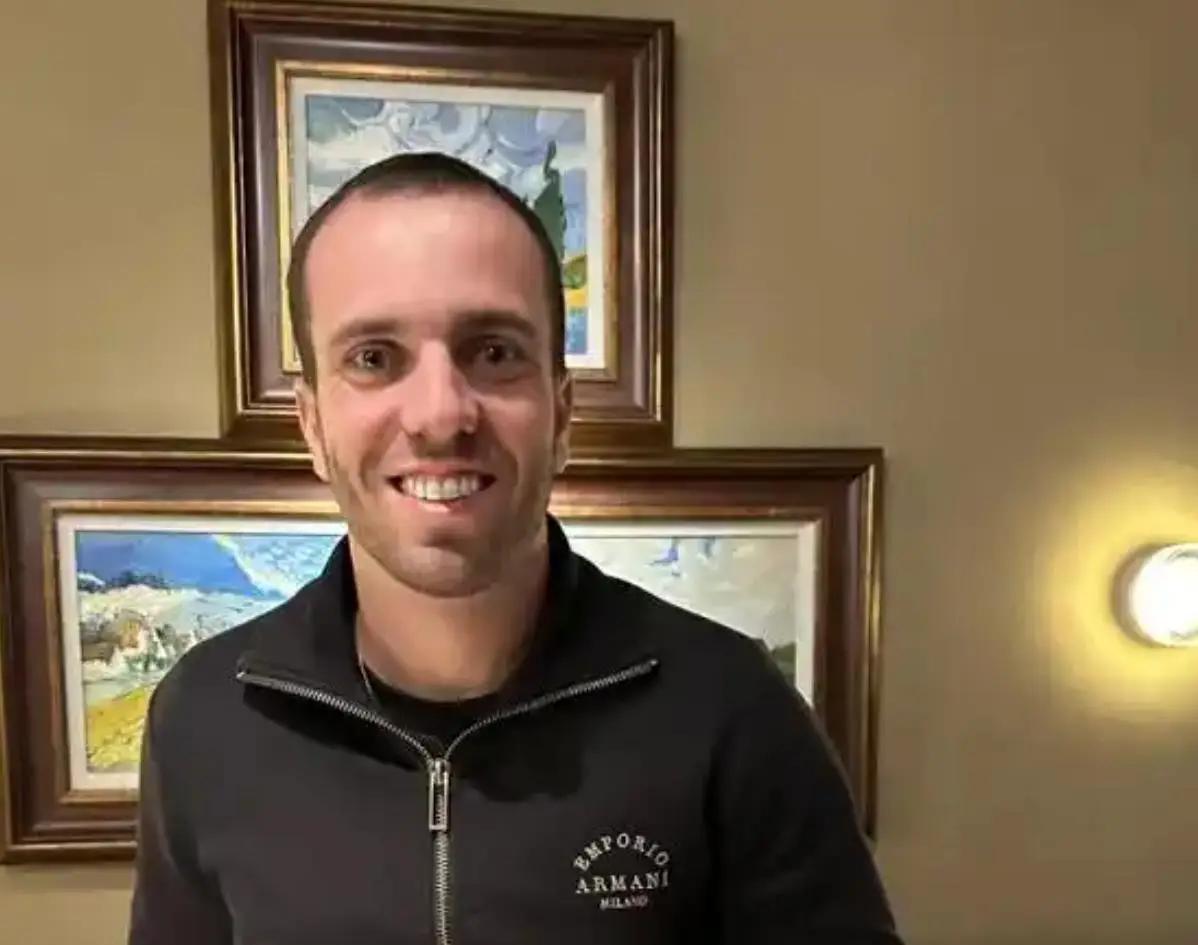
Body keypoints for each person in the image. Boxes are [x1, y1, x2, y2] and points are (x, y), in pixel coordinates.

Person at [128, 152, 903, 945]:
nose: (440, 414)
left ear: (561, 415)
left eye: (493, 351)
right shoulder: (206, 717)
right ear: (312, 425)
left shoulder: (731, 710)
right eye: (374, 358)